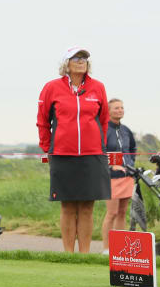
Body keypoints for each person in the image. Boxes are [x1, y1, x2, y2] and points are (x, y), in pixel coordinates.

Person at [36, 47, 110, 254]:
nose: (81, 61)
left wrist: (99, 144)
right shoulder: (51, 88)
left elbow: (104, 120)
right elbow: (42, 121)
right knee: (68, 206)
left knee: (87, 207)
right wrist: (47, 148)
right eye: (76, 58)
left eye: (84, 58)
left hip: (93, 155)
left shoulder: (98, 87)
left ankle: (84, 255)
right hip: (62, 154)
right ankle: (69, 254)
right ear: (66, 63)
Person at [101, 98, 136, 253]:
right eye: (116, 108)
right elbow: (98, 151)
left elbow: (132, 148)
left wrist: (130, 164)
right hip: (111, 177)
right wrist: (111, 165)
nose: (120, 110)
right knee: (112, 213)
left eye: (122, 107)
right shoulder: (103, 129)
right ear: (108, 111)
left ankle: (119, 248)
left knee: (122, 213)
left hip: (127, 176)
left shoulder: (126, 130)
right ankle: (107, 249)